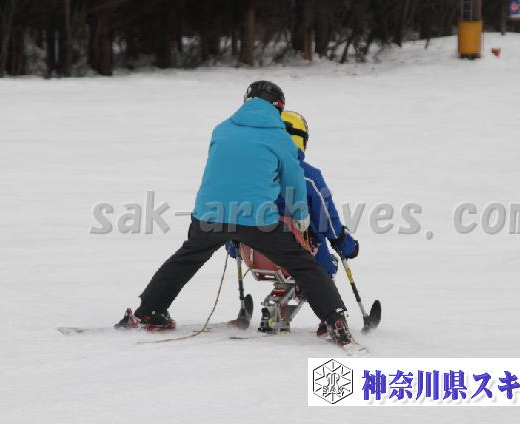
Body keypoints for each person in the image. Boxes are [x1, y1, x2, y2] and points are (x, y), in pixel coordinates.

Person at [116, 81, 353, 346]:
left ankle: (149, 310)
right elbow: (293, 182)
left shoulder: (221, 130)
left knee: (186, 259)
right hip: (257, 218)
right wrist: (300, 215)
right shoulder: (280, 138)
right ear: (278, 107)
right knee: (302, 263)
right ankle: (334, 319)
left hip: (209, 215)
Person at [227, 110, 359, 337]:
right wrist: (344, 242)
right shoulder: (306, 175)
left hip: (254, 255)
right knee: (319, 249)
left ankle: (277, 308)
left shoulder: (249, 174)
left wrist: (233, 245)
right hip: (298, 253)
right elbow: (326, 218)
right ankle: (330, 315)